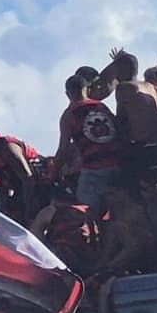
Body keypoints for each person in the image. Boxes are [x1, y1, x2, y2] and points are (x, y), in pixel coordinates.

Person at [52, 75, 124, 224]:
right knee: (116, 213)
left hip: (94, 170)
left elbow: (64, 149)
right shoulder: (101, 107)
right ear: (87, 89)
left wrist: (53, 173)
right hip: (117, 165)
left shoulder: (69, 115)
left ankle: (91, 240)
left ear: (68, 93)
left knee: (86, 213)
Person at [93, 50, 157, 186]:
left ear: (124, 69)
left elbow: (121, 119)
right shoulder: (149, 86)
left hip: (140, 148)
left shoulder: (124, 88)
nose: (115, 74)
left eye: (117, 69)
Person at [0, 135, 44, 227]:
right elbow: (3, 185)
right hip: (20, 187)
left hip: (38, 183)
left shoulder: (7, 148)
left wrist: (28, 212)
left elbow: (28, 179)